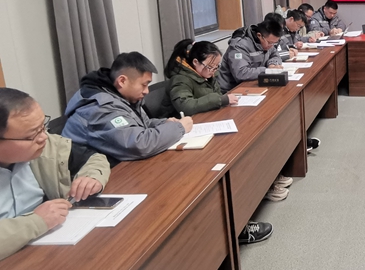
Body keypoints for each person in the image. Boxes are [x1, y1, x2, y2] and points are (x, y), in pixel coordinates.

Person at [165, 39, 290, 216]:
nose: (214, 71)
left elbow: (217, 93)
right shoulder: (180, 79)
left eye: (216, 67)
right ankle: (261, 187)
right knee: (238, 150)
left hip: (211, 121)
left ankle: (269, 178)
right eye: (210, 67)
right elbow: (186, 106)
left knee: (253, 135)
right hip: (193, 133)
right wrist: (221, 100)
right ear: (195, 62)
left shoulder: (206, 74)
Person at [1, 88, 111, 260]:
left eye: (43, 126)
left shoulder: (44, 145)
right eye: (32, 135)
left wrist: (92, 176)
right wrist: (37, 222)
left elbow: (94, 158)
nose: (43, 137)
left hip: (49, 252)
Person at [62, 52, 192, 165]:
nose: (147, 91)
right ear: (122, 81)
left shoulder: (122, 97)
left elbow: (141, 125)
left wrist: (164, 123)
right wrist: (179, 127)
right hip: (93, 178)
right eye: (144, 85)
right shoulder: (99, 108)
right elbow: (139, 144)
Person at [217, 19, 284, 93]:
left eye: (274, 43)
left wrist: (272, 64)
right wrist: (266, 70)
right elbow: (241, 73)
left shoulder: (268, 43)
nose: (271, 46)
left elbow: (275, 54)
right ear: (259, 35)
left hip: (253, 83)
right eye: (270, 42)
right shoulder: (239, 46)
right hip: (231, 89)